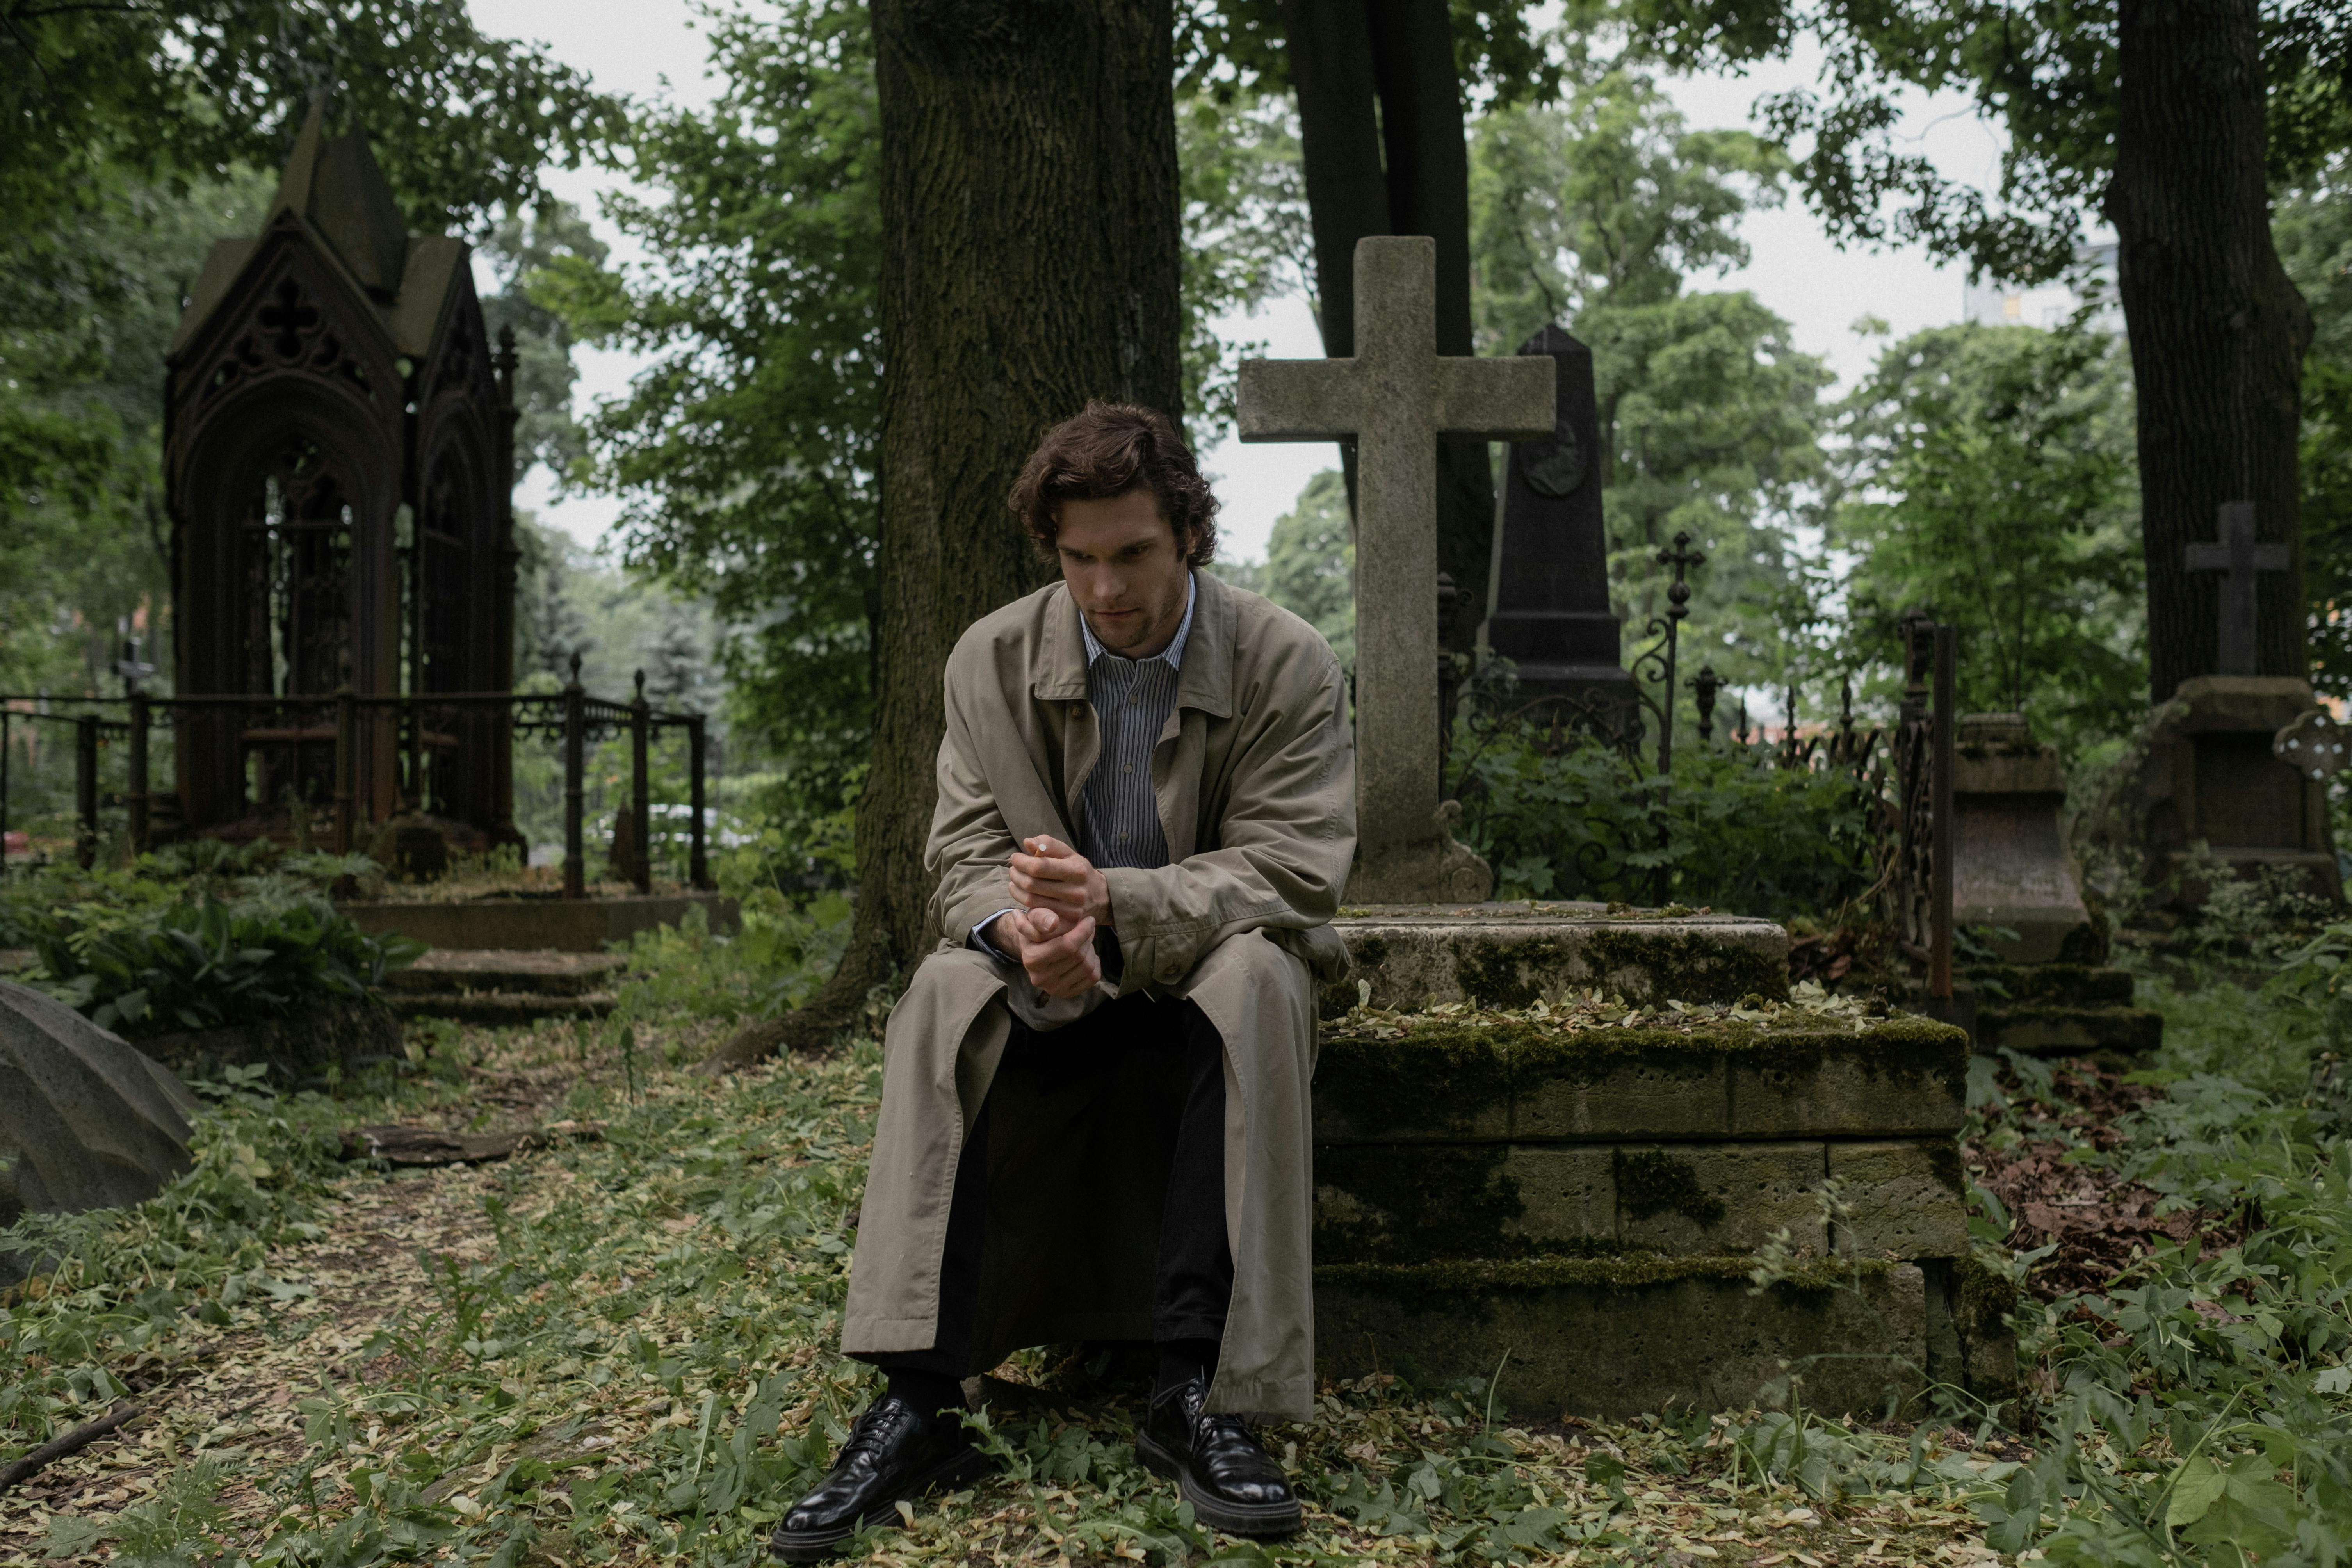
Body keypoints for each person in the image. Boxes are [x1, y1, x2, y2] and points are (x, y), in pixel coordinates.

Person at [769, 402, 1356, 1561]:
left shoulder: (1283, 657)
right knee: (945, 989)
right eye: (1077, 559)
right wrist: (1018, 926)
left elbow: (1294, 868)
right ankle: (920, 1401)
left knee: (1257, 978)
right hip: (1057, 982)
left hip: (1204, 973)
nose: (1103, 589)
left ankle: (1201, 1395)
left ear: (1188, 532)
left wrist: (1117, 908)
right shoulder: (989, 658)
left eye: (1131, 552)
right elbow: (961, 854)